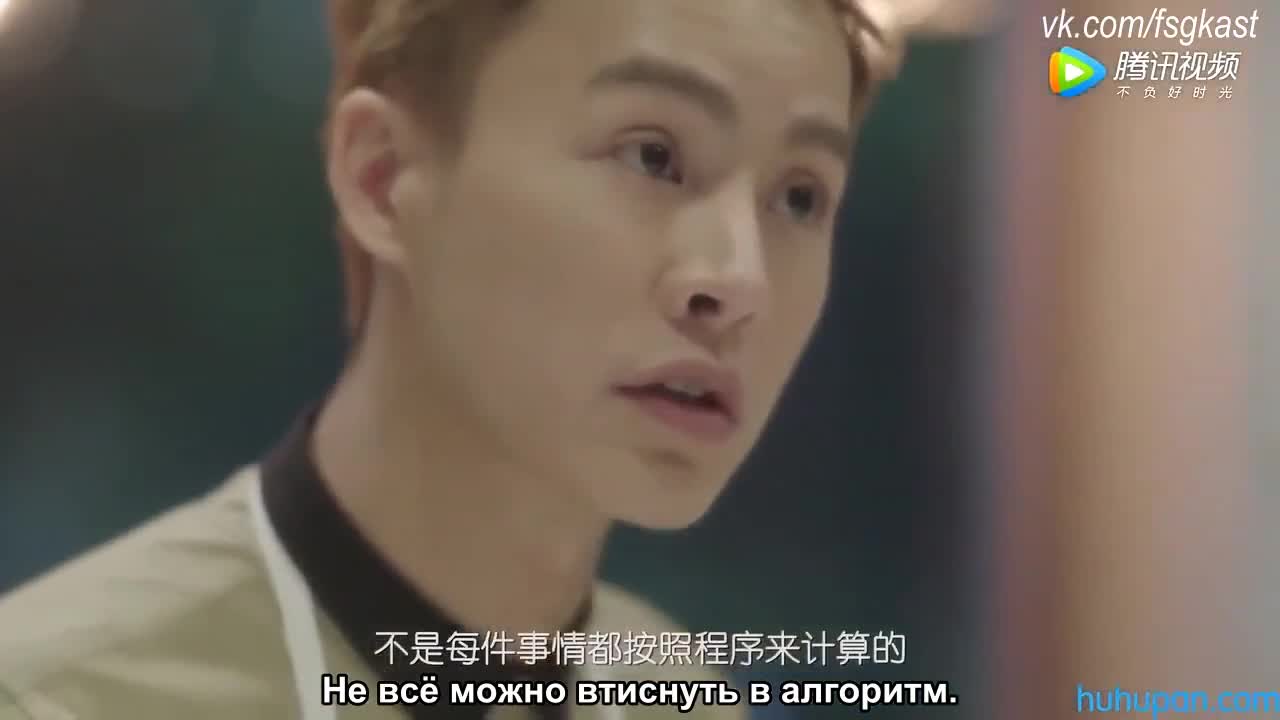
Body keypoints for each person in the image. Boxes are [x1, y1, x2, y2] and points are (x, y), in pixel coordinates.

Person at [0, 0, 911, 717]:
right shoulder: (59, 697)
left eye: (800, 197)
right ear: (384, 179)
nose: (739, 280)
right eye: (651, 155)